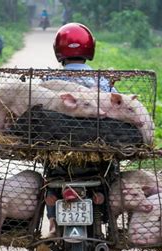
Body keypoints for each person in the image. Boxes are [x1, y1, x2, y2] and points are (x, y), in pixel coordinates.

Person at [45, 23, 116, 237]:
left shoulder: (49, 80)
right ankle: (108, 215)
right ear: (89, 49)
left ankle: (51, 220)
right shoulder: (102, 81)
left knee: (49, 174)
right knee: (111, 174)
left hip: (59, 149)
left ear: (59, 51)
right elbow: (116, 109)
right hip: (97, 150)